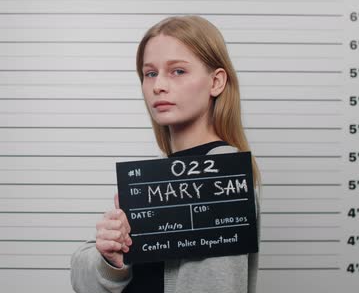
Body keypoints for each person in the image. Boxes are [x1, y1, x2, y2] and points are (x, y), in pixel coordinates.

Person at [70, 15, 261, 293]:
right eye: (150, 73)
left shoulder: (225, 175)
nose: (158, 85)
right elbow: (84, 282)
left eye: (178, 71)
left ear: (216, 82)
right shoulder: (153, 180)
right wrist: (112, 259)